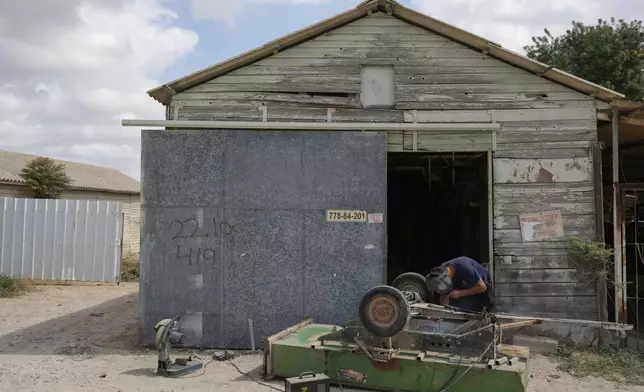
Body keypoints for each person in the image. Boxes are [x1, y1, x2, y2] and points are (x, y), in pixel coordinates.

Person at [425, 256, 495, 312]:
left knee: (464, 307)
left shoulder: (464, 267)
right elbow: (444, 296)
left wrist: (459, 293)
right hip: (464, 285)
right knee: (451, 306)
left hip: (482, 286)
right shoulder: (440, 272)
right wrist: (443, 312)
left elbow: (482, 287)